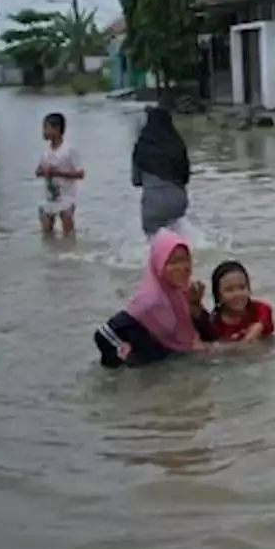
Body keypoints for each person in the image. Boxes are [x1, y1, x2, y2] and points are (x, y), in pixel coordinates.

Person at [94, 228, 215, 368]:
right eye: (173, 262)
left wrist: (196, 305)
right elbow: (103, 335)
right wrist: (126, 364)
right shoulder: (149, 301)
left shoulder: (182, 294)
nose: (182, 267)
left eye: (185, 260)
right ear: (159, 264)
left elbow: (208, 335)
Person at [132, 106, 191, 237]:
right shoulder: (177, 143)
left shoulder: (141, 146)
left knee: (155, 244)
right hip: (178, 201)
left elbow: (136, 181)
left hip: (154, 203)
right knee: (178, 240)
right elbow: (186, 177)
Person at [36, 112, 84, 236]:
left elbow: (80, 174)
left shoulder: (69, 149)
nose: (43, 132)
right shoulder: (46, 150)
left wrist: (58, 173)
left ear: (56, 130)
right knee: (46, 233)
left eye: (46, 128)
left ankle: (70, 253)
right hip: (49, 195)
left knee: (68, 233)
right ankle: (50, 254)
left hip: (67, 196)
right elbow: (39, 170)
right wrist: (42, 172)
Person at [208, 260, 275, 341]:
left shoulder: (260, 310)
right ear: (218, 295)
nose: (237, 294)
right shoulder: (214, 324)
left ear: (249, 289)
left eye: (242, 287)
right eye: (229, 290)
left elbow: (265, 318)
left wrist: (258, 327)